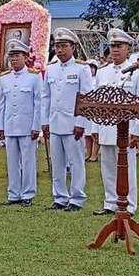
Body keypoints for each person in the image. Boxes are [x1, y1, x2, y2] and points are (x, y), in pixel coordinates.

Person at [42, 28, 94, 211]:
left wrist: (81, 123)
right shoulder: (51, 68)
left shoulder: (81, 68)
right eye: (57, 46)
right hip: (55, 122)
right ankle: (60, 197)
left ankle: (77, 198)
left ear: (73, 47)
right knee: (57, 163)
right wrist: (45, 121)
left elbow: (86, 98)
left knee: (76, 162)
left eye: (64, 46)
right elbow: (46, 97)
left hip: (73, 124)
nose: (60, 50)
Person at [93, 29, 139, 216]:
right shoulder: (102, 72)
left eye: (119, 46)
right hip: (106, 127)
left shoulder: (137, 73)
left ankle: (129, 205)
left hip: (126, 129)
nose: (115, 49)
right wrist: (95, 128)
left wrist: (137, 131)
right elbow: (96, 102)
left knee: (127, 168)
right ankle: (110, 202)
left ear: (128, 48)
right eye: (112, 46)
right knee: (107, 167)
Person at [0, 40, 42, 206]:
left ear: (25, 57)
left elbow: (38, 103)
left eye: (17, 55)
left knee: (28, 161)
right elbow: (1, 104)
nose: (14, 59)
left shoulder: (34, 77)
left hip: (27, 126)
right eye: (11, 56)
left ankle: (28, 194)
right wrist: (0, 126)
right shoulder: (4, 78)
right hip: (10, 125)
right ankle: (14, 193)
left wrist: (36, 126)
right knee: (12, 161)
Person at [84, 59, 100, 162]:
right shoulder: (84, 80)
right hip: (86, 110)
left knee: (95, 133)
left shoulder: (97, 79)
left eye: (93, 67)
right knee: (87, 133)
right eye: (89, 67)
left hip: (96, 110)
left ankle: (94, 154)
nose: (91, 69)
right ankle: (88, 153)